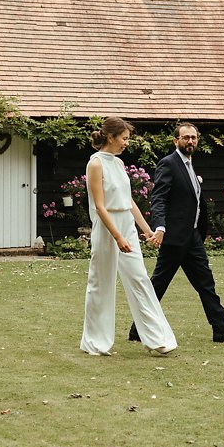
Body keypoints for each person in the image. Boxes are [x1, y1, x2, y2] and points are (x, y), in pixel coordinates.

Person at [130, 121, 224, 344]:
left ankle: (221, 330)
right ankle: (138, 329)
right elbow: (159, 199)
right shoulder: (169, 163)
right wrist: (160, 227)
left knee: (206, 284)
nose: (190, 141)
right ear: (176, 140)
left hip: (193, 238)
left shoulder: (190, 164)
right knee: (157, 285)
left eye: (193, 137)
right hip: (174, 238)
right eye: (186, 138)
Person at [79, 117, 178, 357]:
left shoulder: (120, 164)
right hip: (107, 228)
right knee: (101, 283)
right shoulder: (95, 164)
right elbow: (100, 207)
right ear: (111, 137)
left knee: (140, 279)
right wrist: (117, 236)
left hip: (127, 226)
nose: (126, 143)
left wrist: (146, 229)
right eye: (124, 138)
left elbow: (129, 201)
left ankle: (157, 339)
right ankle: (95, 342)